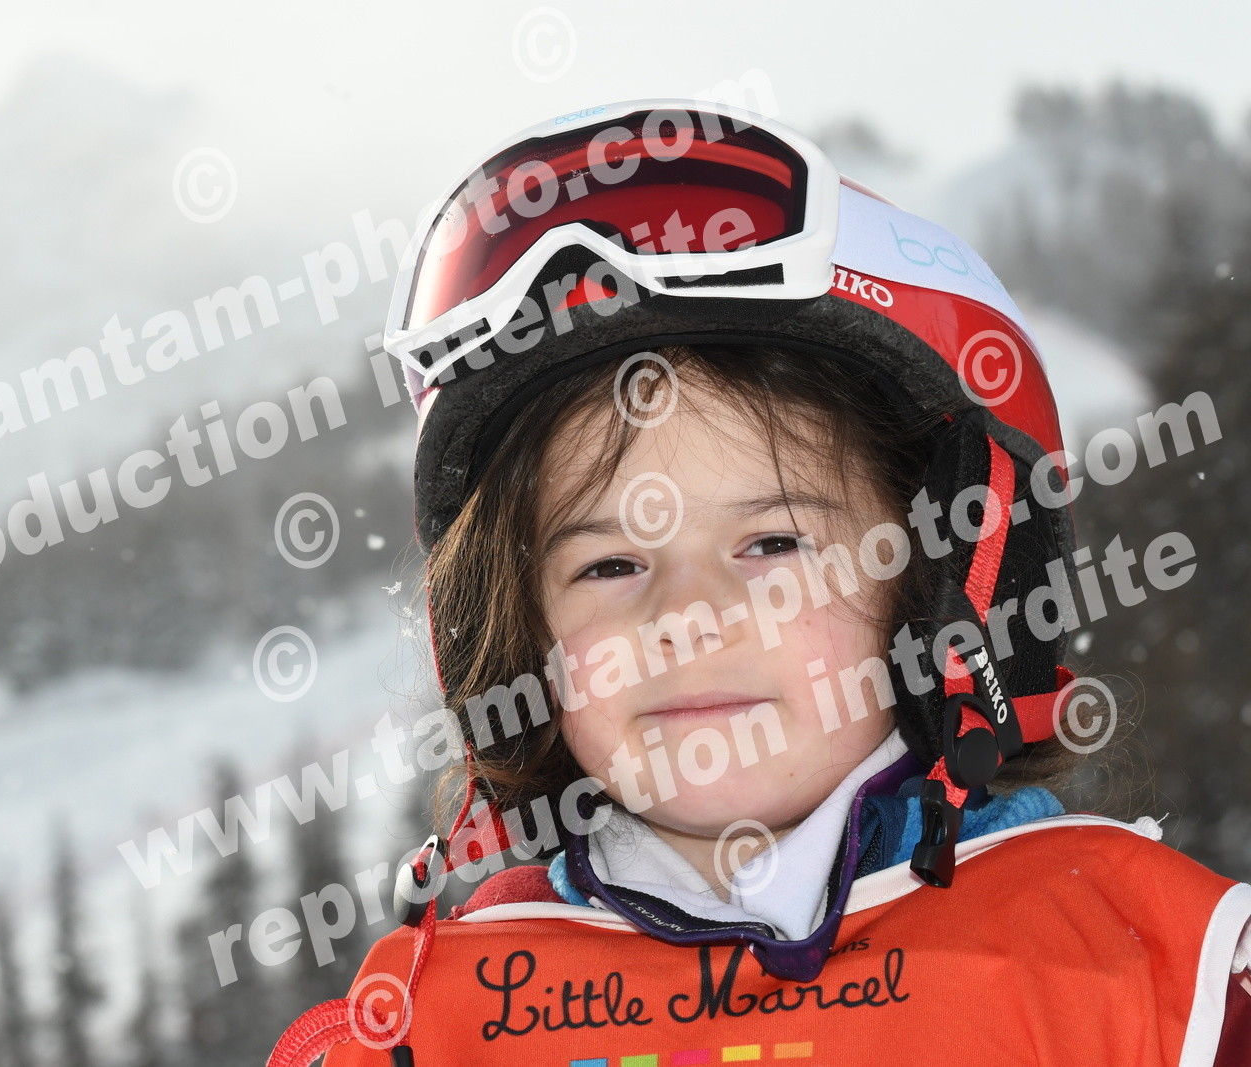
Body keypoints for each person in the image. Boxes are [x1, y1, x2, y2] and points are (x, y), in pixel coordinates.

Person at [267, 99, 1251, 1066]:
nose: (686, 617)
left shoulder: (1152, 981)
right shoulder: (438, 1029)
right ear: (518, 639)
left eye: (772, 543)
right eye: (609, 564)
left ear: (939, 588)